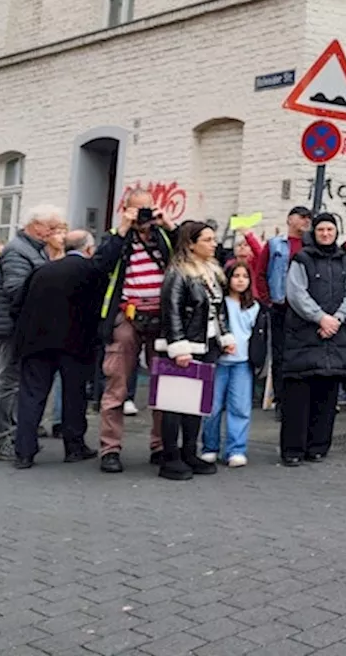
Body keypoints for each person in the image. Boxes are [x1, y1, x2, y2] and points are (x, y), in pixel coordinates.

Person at [94, 190, 172, 472]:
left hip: (161, 320)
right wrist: (124, 229)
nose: (143, 216)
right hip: (126, 319)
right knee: (116, 385)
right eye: (138, 210)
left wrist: (169, 226)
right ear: (125, 209)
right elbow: (100, 264)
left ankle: (161, 446)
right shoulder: (116, 236)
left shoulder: (162, 236)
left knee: (163, 385)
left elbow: (186, 256)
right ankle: (110, 449)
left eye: (147, 209)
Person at [12, 231, 104, 469]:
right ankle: (74, 446)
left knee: (32, 394)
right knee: (74, 395)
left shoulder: (42, 270)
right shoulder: (91, 271)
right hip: (75, 342)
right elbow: (97, 308)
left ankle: (24, 451)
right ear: (88, 249)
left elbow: (18, 304)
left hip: (35, 341)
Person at [280, 213, 346, 466]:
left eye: (330, 229)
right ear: (314, 232)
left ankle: (318, 446)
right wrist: (320, 318)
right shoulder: (302, 259)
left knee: (326, 396)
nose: (326, 234)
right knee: (298, 398)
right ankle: (293, 449)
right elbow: (295, 293)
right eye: (321, 229)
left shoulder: (344, 260)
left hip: (333, 340)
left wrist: (336, 319)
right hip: (304, 338)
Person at [156, 221, 232, 481]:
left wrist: (225, 336)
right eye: (207, 240)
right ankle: (170, 457)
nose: (214, 244)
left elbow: (217, 309)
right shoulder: (178, 273)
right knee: (175, 404)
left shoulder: (211, 271)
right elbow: (171, 310)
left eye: (213, 239)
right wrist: (178, 346)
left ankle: (189, 451)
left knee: (195, 405)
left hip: (206, 344)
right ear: (191, 244)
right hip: (186, 347)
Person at [0, 205, 60, 460]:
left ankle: (14, 433)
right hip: (15, 327)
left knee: (16, 381)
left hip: (24, 326)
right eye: (50, 228)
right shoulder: (18, 251)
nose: (52, 233)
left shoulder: (33, 250)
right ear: (35, 225)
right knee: (9, 382)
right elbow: (18, 290)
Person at [201, 259, 267, 468]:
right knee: (212, 406)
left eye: (245, 277)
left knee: (240, 407)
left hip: (242, 362)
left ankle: (236, 449)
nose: (240, 281)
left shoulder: (255, 306)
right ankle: (209, 447)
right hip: (219, 361)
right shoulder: (219, 303)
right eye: (236, 276)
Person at [255, 205, 312, 415]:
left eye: (309, 218)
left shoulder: (310, 245)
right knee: (279, 354)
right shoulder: (275, 244)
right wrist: (268, 300)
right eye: (302, 217)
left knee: (301, 353)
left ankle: (297, 398)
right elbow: (260, 273)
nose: (306, 221)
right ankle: (281, 399)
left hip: (303, 309)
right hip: (280, 306)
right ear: (290, 219)